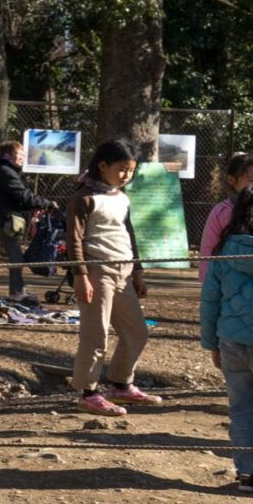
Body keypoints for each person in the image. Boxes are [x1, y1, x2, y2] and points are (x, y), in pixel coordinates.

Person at [199, 185, 253, 493]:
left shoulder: (224, 253)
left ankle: (247, 474)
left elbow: (210, 301)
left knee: (241, 410)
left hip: (232, 344)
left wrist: (211, 343)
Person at [66, 139, 156, 417]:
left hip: (125, 272)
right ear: (102, 166)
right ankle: (88, 393)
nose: (126, 175)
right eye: (121, 169)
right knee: (96, 335)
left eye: (131, 170)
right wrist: (81, 275)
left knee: (137, 331)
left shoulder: (122, 197)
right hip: (96, 272)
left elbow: (130, 235)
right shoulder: (84, 198)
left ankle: (121, 384)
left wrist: (138, 271)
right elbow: (74, 241)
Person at [0, 139, 50, 300]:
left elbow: (10, 198)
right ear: (7, 155)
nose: (22, 157)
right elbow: (23, 196)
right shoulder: (6, 172)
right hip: (2, 222)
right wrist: (46, 203)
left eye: (23, 154)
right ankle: (17, 292)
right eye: (18, 154)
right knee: (16, 258)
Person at [198, 152, 253, 266]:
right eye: (251, 180)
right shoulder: (221, 212)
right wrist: (208, 281)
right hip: (230, 279)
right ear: (232, 180)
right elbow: (209, 250)